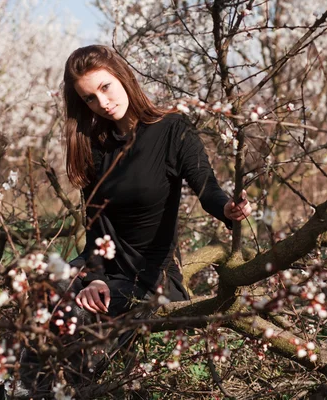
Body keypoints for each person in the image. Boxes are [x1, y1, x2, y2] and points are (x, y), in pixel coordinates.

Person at [62, 45, 252, 319]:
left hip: (150, 277)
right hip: (103, 266)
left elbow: (206, 187)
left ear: (123, 77)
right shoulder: (93, 146)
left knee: (74, 315)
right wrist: (95, 278)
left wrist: (227, 208)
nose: (102, 103)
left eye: (106, 87)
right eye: (90, 98)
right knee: (43, 295)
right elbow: (96, 224)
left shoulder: (173, 130)